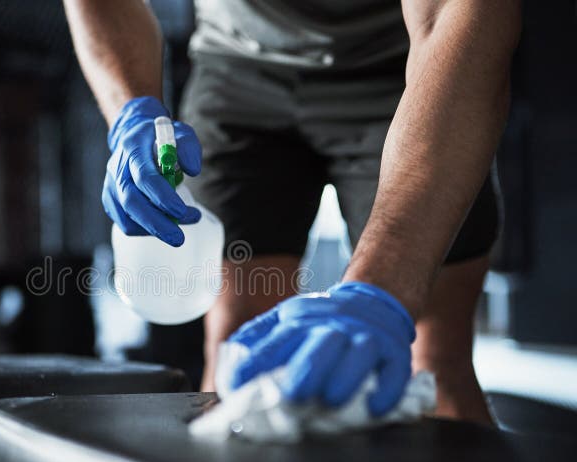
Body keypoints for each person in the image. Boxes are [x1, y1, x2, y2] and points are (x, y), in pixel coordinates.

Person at [64, 0, 521, 423]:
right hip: (236, 66)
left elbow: (465, 15)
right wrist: (131, 111)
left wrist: (381, 293)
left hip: (404, 64)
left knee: (431, 358)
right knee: (237, 347)